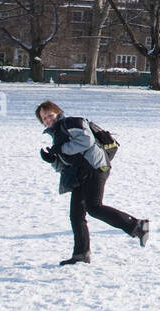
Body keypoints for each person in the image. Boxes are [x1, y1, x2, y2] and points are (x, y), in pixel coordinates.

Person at [36, 100, 148, 265]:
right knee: (76, 215)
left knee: (94, 207)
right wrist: (52, 160)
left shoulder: (71, 122)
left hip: (95, 167)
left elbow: (86, 141)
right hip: (80, 173)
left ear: (58, 112)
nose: (48, 120)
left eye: (50, 115)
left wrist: (61, 149)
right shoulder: (57, 134)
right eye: (44, 119)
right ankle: (81, 254)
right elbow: (64, 164)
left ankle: (137, 226)